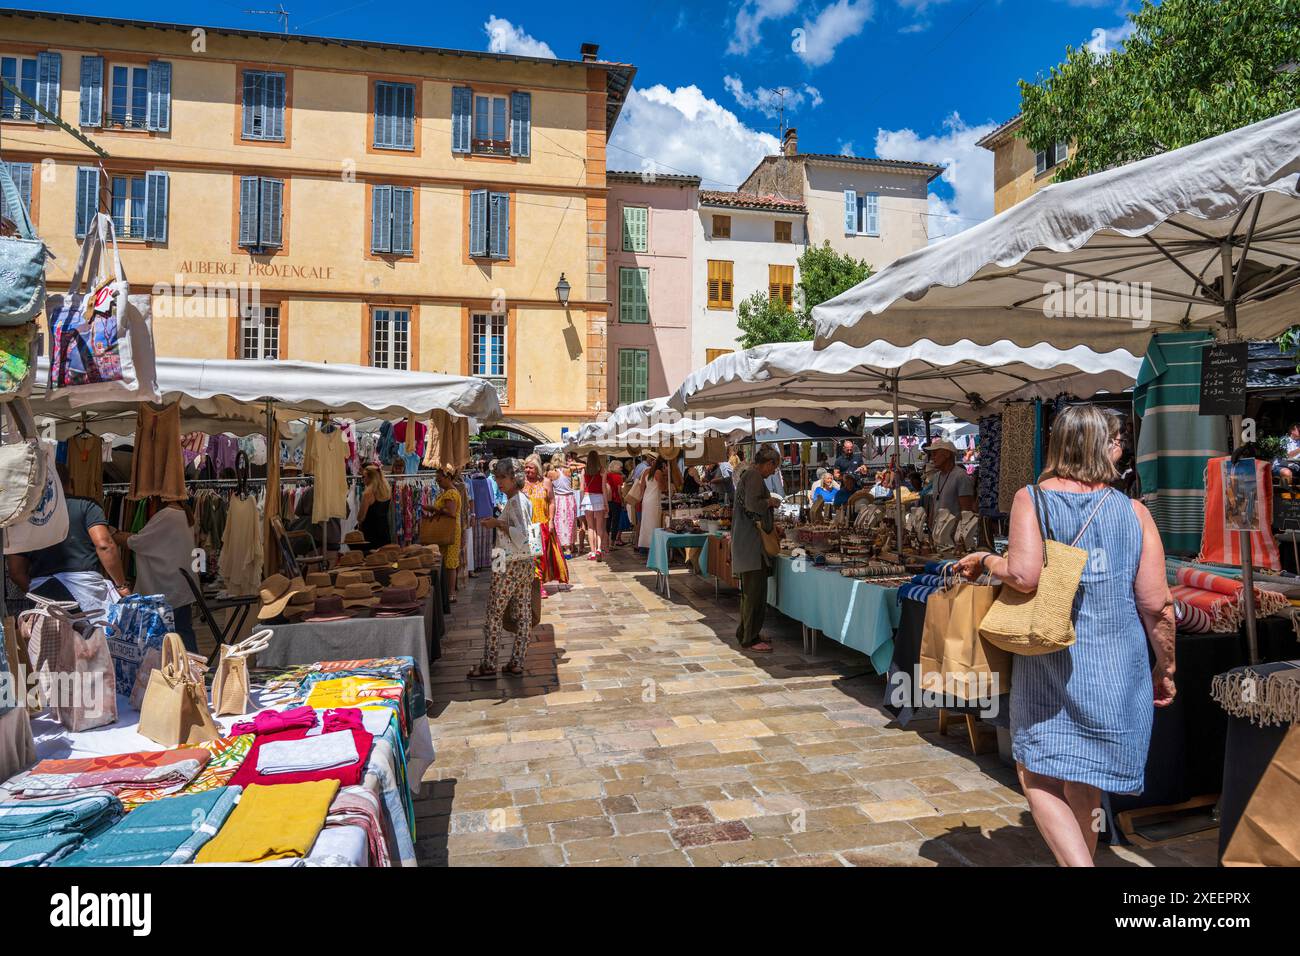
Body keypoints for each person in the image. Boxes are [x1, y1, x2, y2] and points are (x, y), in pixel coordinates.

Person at [954, 405, 1175, 867]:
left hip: (1051, 660)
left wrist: (985, 560)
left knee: (1037, 772)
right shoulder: (1134, 512)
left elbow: (1022, 575)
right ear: (1100, 445)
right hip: (1117, 666)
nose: (1122, 448)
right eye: (1117, 440)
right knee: (1085, 773)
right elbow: (1157, 605)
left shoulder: (1032, 498)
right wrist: (1166, 667)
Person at [7, 465, 129, 619]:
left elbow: (16, 571)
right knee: (94, 640)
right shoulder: (87, 506)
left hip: (43, 593)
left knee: (50, 642)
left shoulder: (23, 516)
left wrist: (39, 592)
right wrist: (121, 586)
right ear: (71, 483)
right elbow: (104, 545)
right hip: (87, 591)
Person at [468, 458, 535, 679]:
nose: (497, 482)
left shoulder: (516, 501)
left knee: (494, 614)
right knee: (523, 613)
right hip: (521, 563)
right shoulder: (520, 500)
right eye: (496, 477)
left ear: (513, 478)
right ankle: (517, 661)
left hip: (509, 563)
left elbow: (522, 535)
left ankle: (489, 663)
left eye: (501, 477)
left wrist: (497, 523)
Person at [112, 499, 200, 651]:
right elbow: (149, 539)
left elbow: (139, 542)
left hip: (169, 589)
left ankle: (177, 670)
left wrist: (113, 535)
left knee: (164, 638)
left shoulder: (167, 515)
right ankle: (195, 670)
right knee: (184, 634)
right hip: (182, 587)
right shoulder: (183, 513)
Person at [732, 446, 780, 653]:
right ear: (768, 463)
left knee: (752, 593)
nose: (774, 471)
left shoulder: (749, 476)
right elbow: (753, 505)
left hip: (749, 543)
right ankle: (749, 638)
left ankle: (747, 632)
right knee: (754, 593)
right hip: (752, 544)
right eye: (774, 466)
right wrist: (770, 502)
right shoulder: (754, 477)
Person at [523, 454, 567, 591]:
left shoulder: (546, 482)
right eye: (526, 467)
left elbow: (552, 502)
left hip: (542, 523)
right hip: (526, 524)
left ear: (537, 468)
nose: (527, 470)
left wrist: (551, 520)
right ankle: (537, 584)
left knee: (540, 556)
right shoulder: (521, 482)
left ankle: (539, 582)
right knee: (532, 556)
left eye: (530, 468)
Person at [924, 438, 975, 521]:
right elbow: (935, 504)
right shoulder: (937, 476)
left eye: (935, 453)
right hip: (938, 529)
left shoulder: (961, 476)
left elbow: (966, 511)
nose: (932, 457)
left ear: (947, 454)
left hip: (954, 530)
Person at [433, 466, 463, 602]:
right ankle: (448, 591)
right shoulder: (449, 492)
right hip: (448, 530)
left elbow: (451, 512)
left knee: (450, 562)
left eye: (439, 480)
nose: (437, 482)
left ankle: (451, 593)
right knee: (448, 561)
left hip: (450, 531)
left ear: (447, 478)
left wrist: (434, 509)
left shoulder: (450, 493)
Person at [635, 457, 669, 553]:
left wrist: (640, 499)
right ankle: (652, 545)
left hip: (646, 499)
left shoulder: (646, 471)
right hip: (654, 500)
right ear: (663, 465)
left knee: (646, 523)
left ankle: (644, 545)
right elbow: (663, 488)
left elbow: (642, 488)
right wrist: (666, 476)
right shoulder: (658, 473)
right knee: (654, 523)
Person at [356, 463, 392, 549]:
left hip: (370, 533)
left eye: (363, 477)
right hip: (384, 530)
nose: (362, 479)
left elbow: (361, 517)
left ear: (370, 478)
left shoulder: (368, 494)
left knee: (370, 560)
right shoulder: (387, 490)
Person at [583, 451, 610, 560]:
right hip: (599, 498)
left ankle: (592, 551)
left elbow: (582, 487)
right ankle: (599, 549)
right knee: (600, 526)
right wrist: (606, 503)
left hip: (587, 498)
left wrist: (581, 501)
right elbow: (604, 488)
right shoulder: (602, 470)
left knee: (590, 527)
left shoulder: (584, 470)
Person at [550, 456, 578, 557]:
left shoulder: (551, 473)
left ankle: (564, 547)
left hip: (558, 499)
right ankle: (571, 545)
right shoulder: (569, 470)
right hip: (570, 499)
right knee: (571, 522)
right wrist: (570, 464)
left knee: (560, 523)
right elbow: (583, 465)